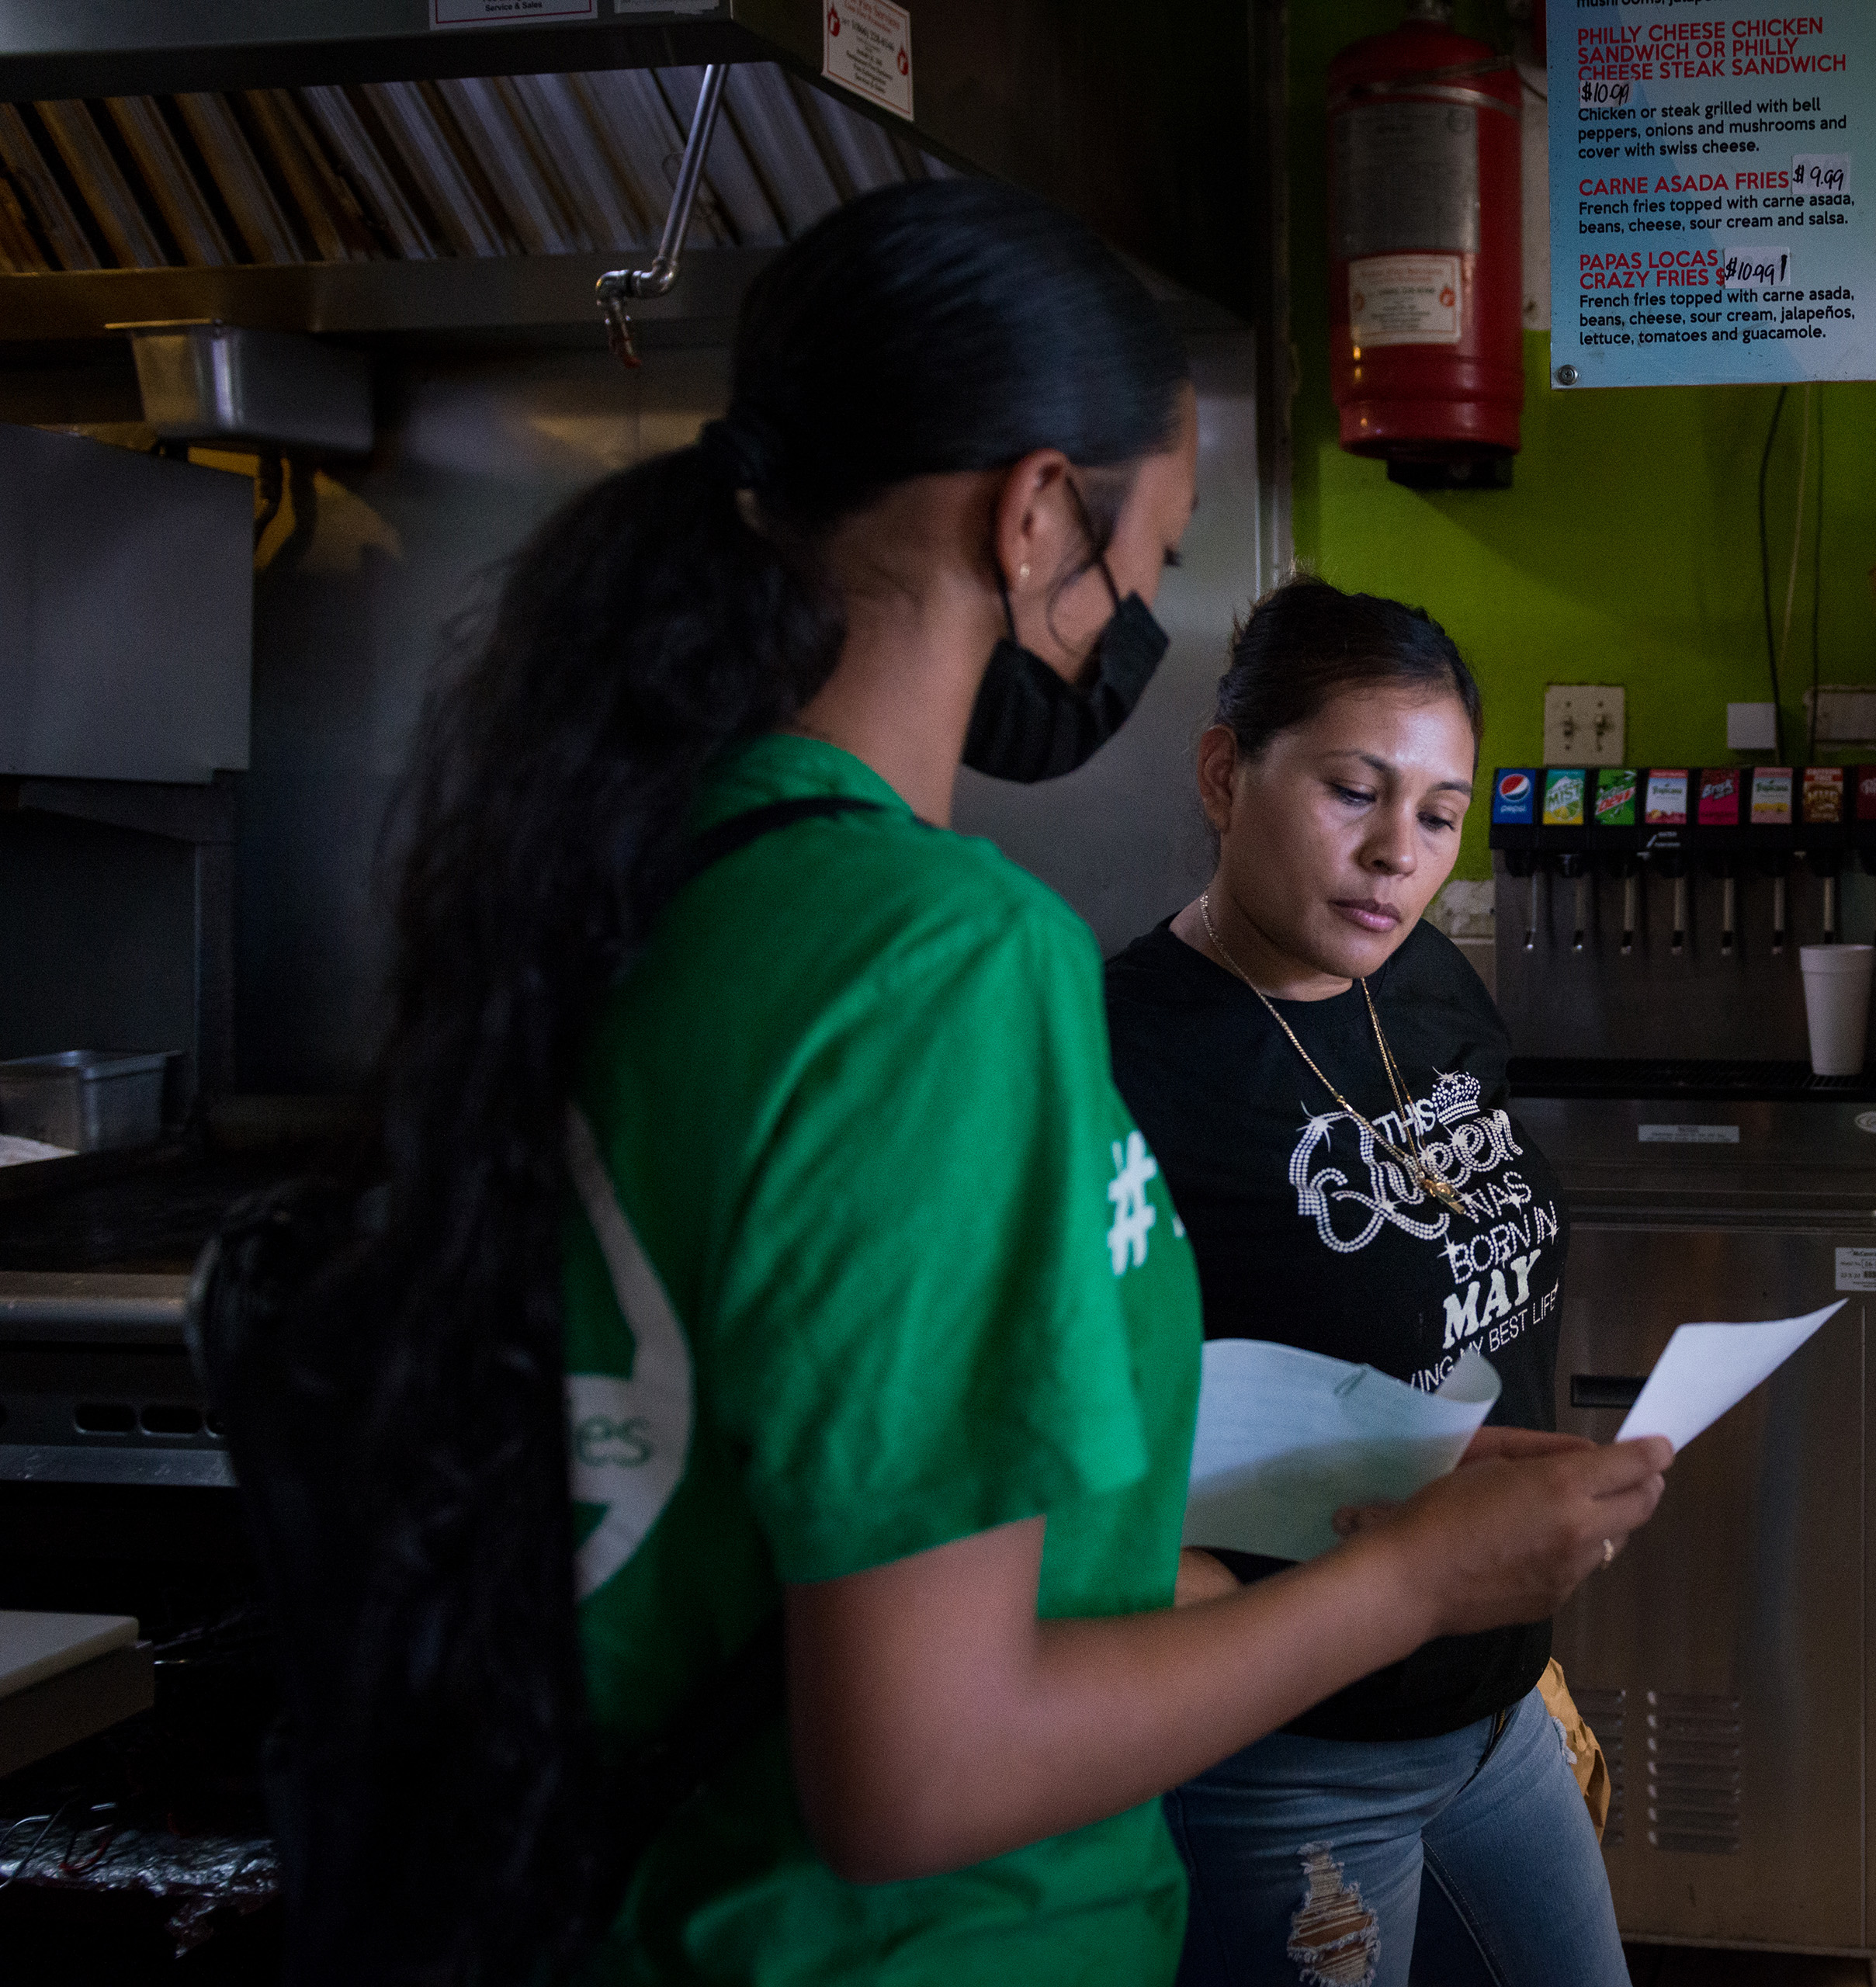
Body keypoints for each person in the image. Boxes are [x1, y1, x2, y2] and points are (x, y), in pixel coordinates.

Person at [212, 180, 1666, 1987]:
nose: (1136, 612)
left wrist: (1219, 1582)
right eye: (1153, 555)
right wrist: (1410, 1582)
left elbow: (815, 1511)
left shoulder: (655, 866)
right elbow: (921, 1767)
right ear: (1038, 510)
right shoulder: (937, 958)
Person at [1102, 578, 1630, 1987]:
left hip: (1495, 1711)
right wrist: (1176, 1583)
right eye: (1355, 791)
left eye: (1443, 817)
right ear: (1227, 773)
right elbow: (1030, 1449)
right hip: (1290, 1763)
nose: (1400, 854)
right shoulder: (1117, 1059)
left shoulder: (1432, 991)